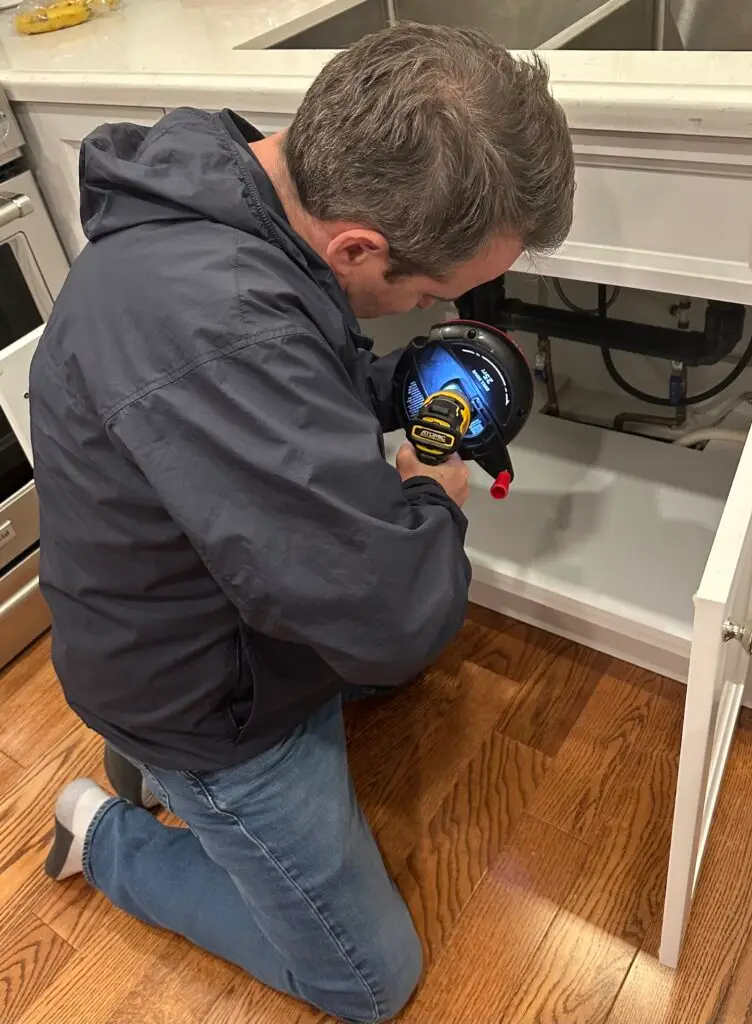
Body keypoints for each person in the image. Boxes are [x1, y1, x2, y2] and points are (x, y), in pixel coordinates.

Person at [30, 22, 574, 1024]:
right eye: (421, 293)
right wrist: (428, 490)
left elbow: (293, 363)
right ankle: (102, 832)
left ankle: (162, 781)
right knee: (368, 981)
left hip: (184, 611)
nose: (429, 305)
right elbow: (390, 613)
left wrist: (390, 388)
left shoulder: (236, 195)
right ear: (357, 243)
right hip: (204, 699)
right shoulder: (214, 323)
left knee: (382, 664)